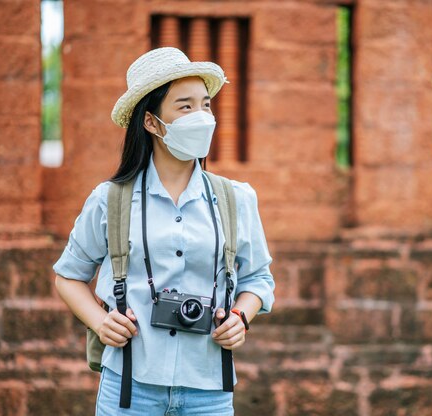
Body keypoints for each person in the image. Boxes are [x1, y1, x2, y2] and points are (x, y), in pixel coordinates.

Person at [53, 47, 275, 415]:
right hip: (128, 386)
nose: (201, 117)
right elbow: (68, 277)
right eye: (185, 107)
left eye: (205, 105)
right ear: (152, 122)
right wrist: (100, 321)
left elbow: (259, 278)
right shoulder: (110, 199)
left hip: (210, 390)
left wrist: (240, 319)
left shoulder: (236, 198)